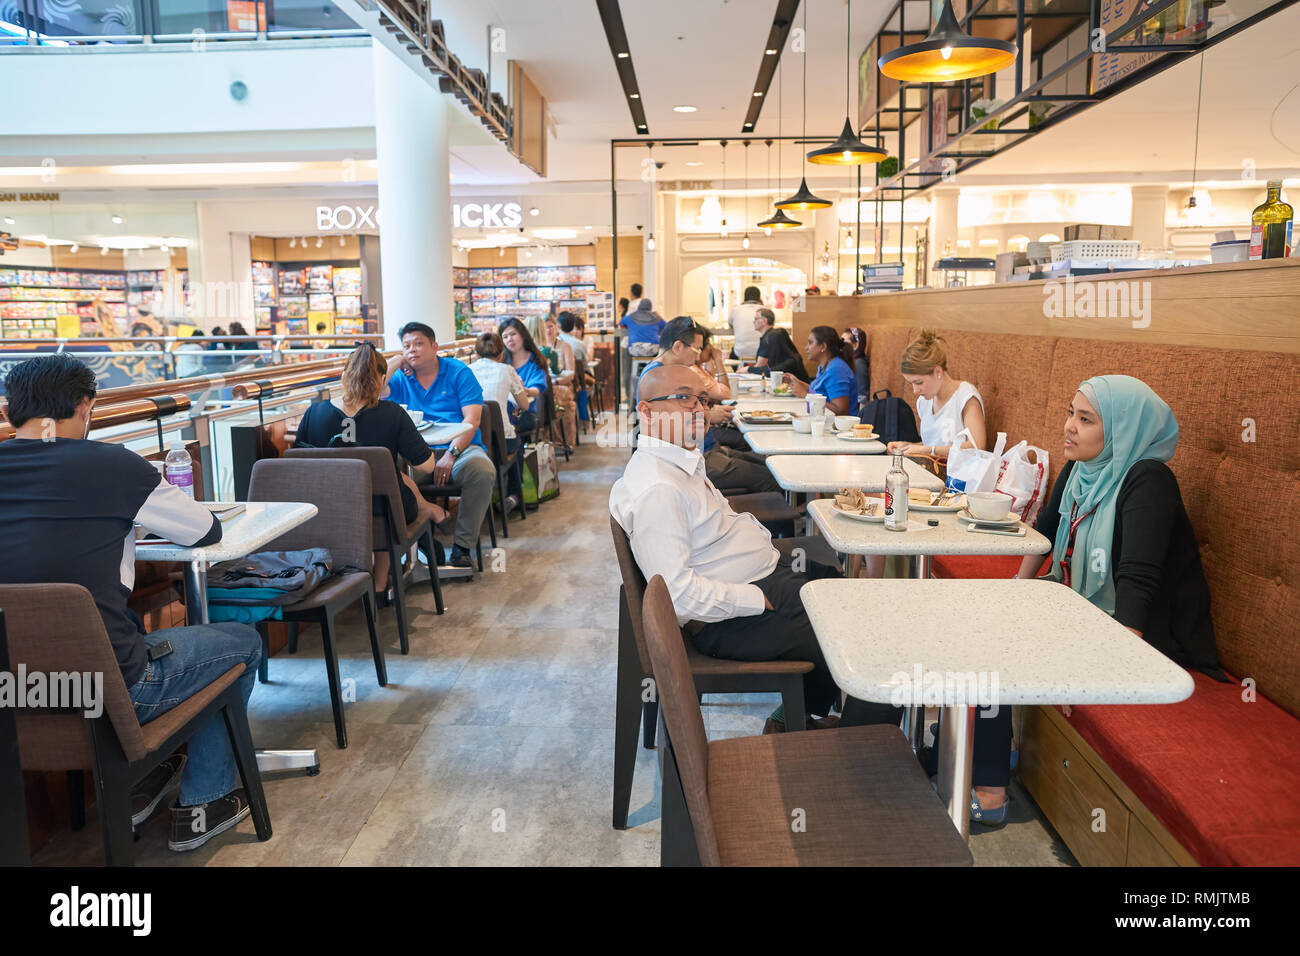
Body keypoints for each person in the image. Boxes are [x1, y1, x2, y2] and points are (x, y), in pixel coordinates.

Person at [933, 375, 1228, 829]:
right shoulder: (1080, 469)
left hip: (1146, 642)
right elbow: (1043, 539)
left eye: (1086, 419)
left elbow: (1137, 589)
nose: (1070, 426)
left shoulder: (1149, 481)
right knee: (983, 614)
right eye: (1070, 413)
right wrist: (1015, 589)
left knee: (995, 646)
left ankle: (990, 792)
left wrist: (1088, 675)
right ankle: (986, 744)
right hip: (1080, 610)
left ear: (1124, 431)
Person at [0, 354, 261, 852]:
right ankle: (203, 803)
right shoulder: (113, 465)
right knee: (240, 645)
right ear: (85, 406)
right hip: (113, 694)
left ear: (13, 410)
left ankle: (141, 782)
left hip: (13, 698)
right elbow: (206, 529)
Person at [610, 363, 899, 733]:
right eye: (683, 399)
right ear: (646, 411)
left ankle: (796, 720)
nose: (698, 410)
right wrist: (752, 599)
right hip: (734, 619)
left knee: (833, 580)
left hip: (758, 581)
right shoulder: (659, 488)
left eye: (700, 400)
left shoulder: (677, 463)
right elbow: (677, 596)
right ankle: (867, 754)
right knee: (881, 635)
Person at [294, 343, 450, 589]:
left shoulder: (314, 414)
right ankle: (379, 585)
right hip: (384, 517)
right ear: (381, 379)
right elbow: (427, 466)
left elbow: (298, 465)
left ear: (344, 376)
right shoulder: (392, 413)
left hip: (327, 517)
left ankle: (348, 582)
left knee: (386, 483)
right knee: (387, 491)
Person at [386, 322, 497, 571]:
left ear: (435, 346)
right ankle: (421, 539)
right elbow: (377, 393)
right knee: (382, 471)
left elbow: (472, 420)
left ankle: (462, 547)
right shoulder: (400, 379)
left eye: (418, 343)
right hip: (415, 455)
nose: (412, 350)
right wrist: (395, 361)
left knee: (482, 471)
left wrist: (451, 454)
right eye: (406, 346)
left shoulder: (458, 371)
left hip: (460, 450)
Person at [637, 317, 780, 495]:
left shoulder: (671, 373)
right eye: (696, 349)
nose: (698, 355)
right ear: (678, 347)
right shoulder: (657, 377)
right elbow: (664, 423)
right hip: (693, 459)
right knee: (771, 477)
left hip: (704, 450)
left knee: (768, 464)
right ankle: (794, 515)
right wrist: (709, 415)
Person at [886, 329, 986, 460]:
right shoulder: (924, 402)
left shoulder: (965, 397)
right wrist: (909, 446)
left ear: (938, 372)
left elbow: (977, 447)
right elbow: (936, 445)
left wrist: (927, 450)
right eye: (911, 384)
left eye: (919, 382)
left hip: (959, 477)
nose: (915, 391)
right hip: (932, 471)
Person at [469, 331, 531, 513]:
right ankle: (513, 494)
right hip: (500, 441)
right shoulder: (507, 370)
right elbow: (524, 405)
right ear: (502, 353)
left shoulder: (468, 370)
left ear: (477, 354)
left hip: (472, 441)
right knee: (517, 443)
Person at [780, 325, 859, 415]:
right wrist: (797, 382)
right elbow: (818, 391)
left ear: (823, 346)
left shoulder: (836, 370)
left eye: (810, 343)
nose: (806, 348)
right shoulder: (824, 366)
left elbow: (841, 412)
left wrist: (805, 395)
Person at [500, 317, 551, 425]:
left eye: (513, 334)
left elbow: (536, 390)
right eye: (505, 337)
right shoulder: (502, 362)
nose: (509, 339)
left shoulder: (536, 360)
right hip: (504, 410)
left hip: (528, 412)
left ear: (523, 334)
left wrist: (522, 390)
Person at [540, 315, 578, 449]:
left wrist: (555, 382)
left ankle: (564, 441)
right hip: (545, 387)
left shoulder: (565, 346)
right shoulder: (539, 348)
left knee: (559, 399)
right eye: (544, 328)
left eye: (550, 326)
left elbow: (571, 374)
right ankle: (546, 442)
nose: (548, 330)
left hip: (562, 385)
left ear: (556, 327)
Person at [745, 308, 808, 381]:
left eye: (756, 319)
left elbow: (771, 372)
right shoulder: (779, 358)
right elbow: (768, 369)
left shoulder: (791, 361)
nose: (753, 321)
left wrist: (749, 369)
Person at [727, 286, 764, 363]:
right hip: (761, 352)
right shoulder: (765, 310)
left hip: (740, 352)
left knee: (732, 357)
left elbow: (730, 324)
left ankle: (739, 371)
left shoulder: (736, 310)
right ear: (759, 297)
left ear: (744, 297)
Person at [843, 326, 870, 408]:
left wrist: (860, 419)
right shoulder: (847, 362)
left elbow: (863, 397)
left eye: (843, 341)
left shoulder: (859, 364)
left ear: (855, 345)